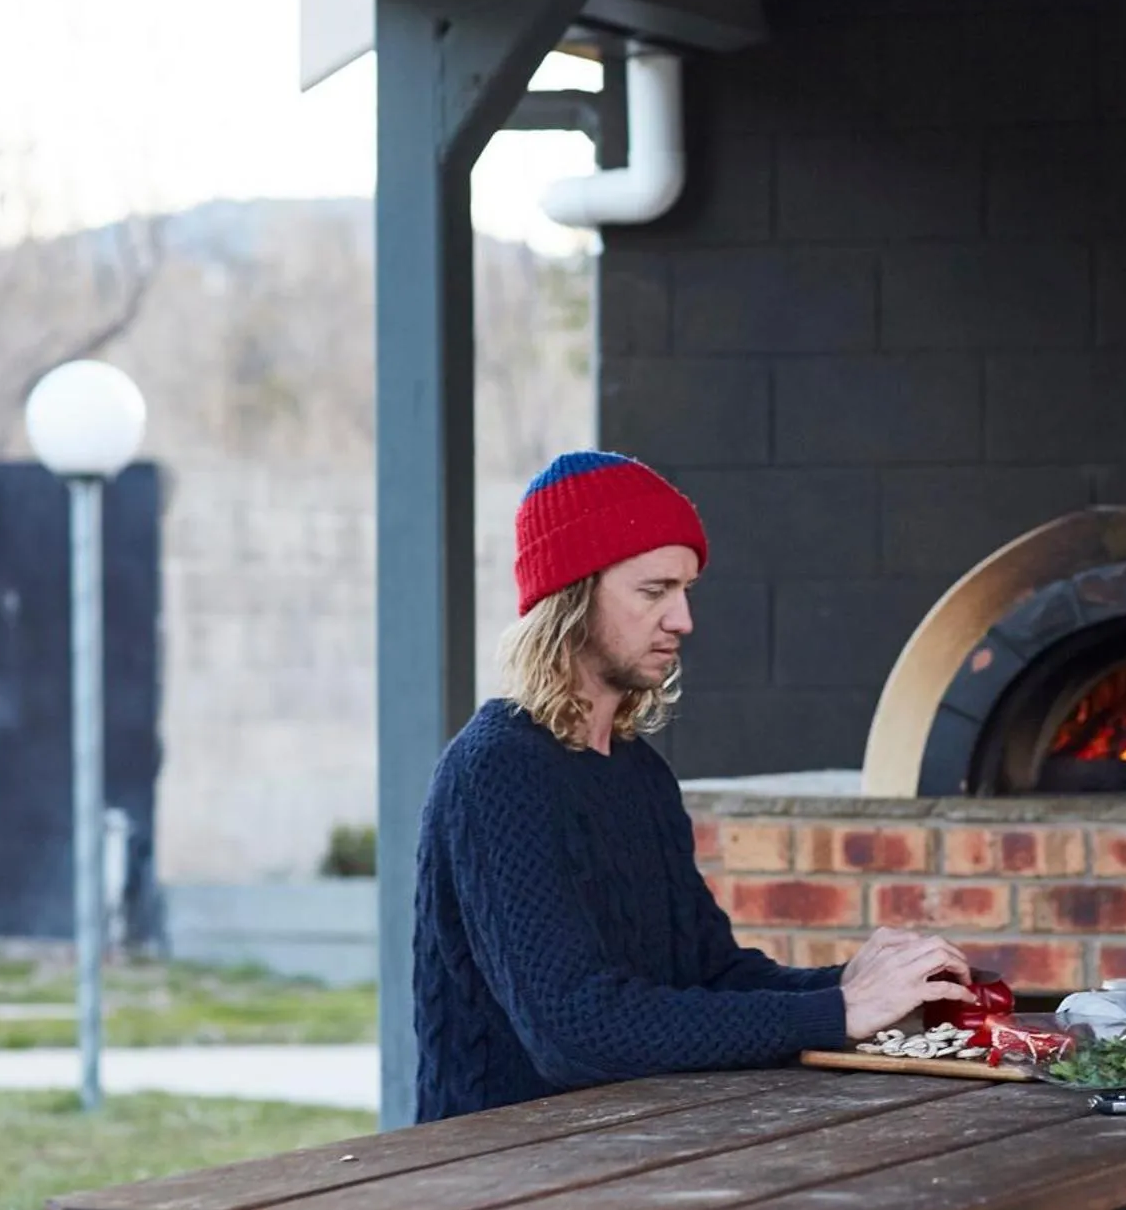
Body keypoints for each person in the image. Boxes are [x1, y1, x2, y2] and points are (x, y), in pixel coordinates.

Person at [412, 450, 973, 1123]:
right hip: (496, 1161)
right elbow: (574, 1032)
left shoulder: (636, 771)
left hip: (631, 1141)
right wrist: (838, 1011)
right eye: (654, 591)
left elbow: (709, 974)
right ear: (571, 597)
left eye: (685, 590)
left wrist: (853, 984)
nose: (683, 620)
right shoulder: (498, 770)